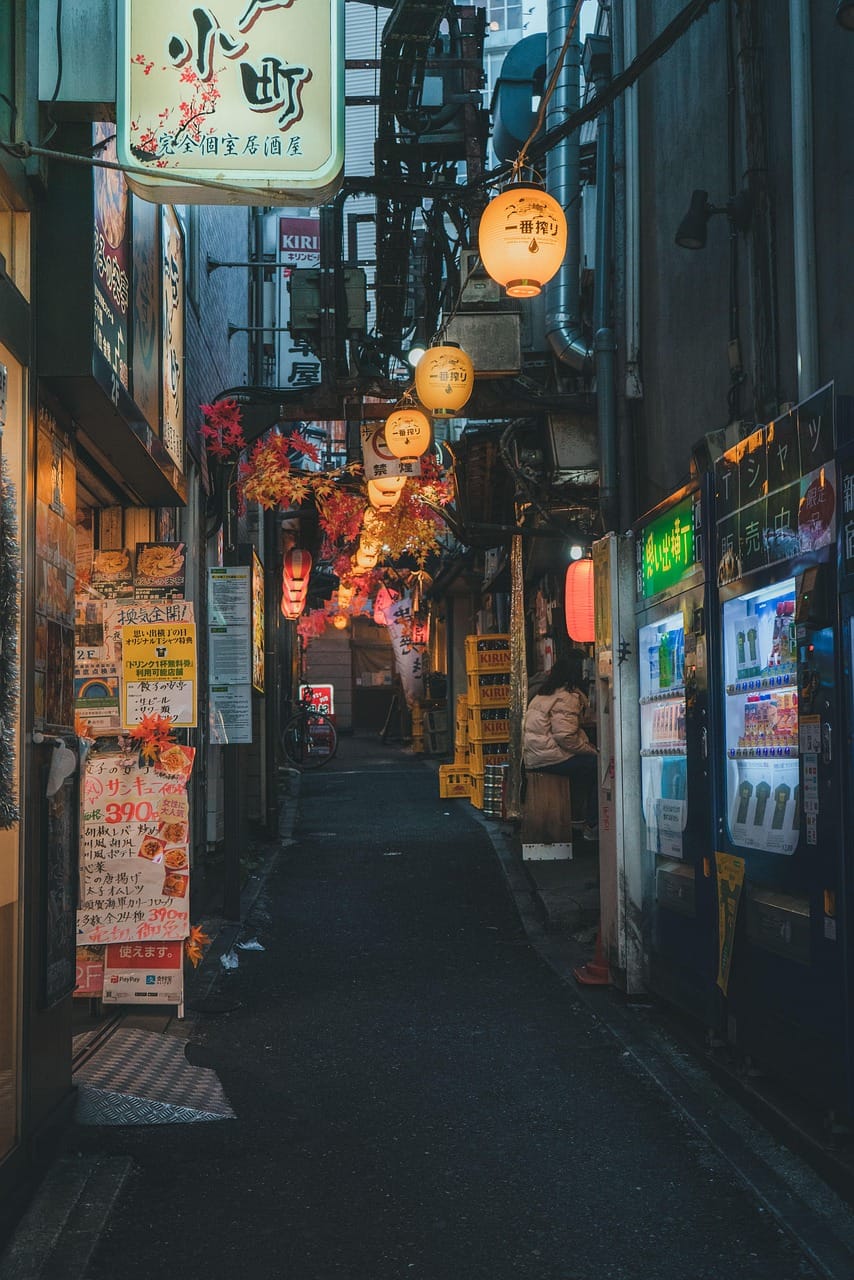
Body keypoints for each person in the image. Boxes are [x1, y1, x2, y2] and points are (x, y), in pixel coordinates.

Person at [522, 652, 599, 839]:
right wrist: (593, 750)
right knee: (598, 766)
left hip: (535, 755)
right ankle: (593, 824)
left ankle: (576, 817)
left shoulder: (545, 692)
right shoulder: (567, 696)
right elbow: (565, 737)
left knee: (585, 766)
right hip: (548, 757)